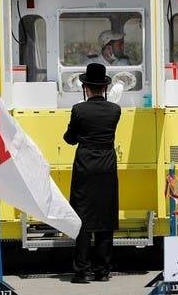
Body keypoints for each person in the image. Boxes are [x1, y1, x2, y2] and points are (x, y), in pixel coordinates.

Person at [63, 63, 122, 284]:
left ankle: (82, 271)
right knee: (105, 216)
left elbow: (70, 139)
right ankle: (103, 270)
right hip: (107, 165)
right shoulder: (115, 111)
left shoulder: (79, 110)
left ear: (85, 87)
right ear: (105, 88)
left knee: (82, 217)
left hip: (85, 165)